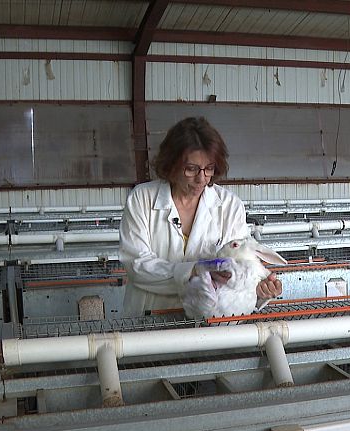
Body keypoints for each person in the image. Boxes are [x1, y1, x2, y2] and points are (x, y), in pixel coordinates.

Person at [119, 116, 282, 317]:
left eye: (209, 168)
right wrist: (193, 271)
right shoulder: (142, 199)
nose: (201, 178)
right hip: (151, 317)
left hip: (208, 324)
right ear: (172, 164)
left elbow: (240, 266)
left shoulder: (229, 206)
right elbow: (137, 266)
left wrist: (259, 289)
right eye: (191, 169)